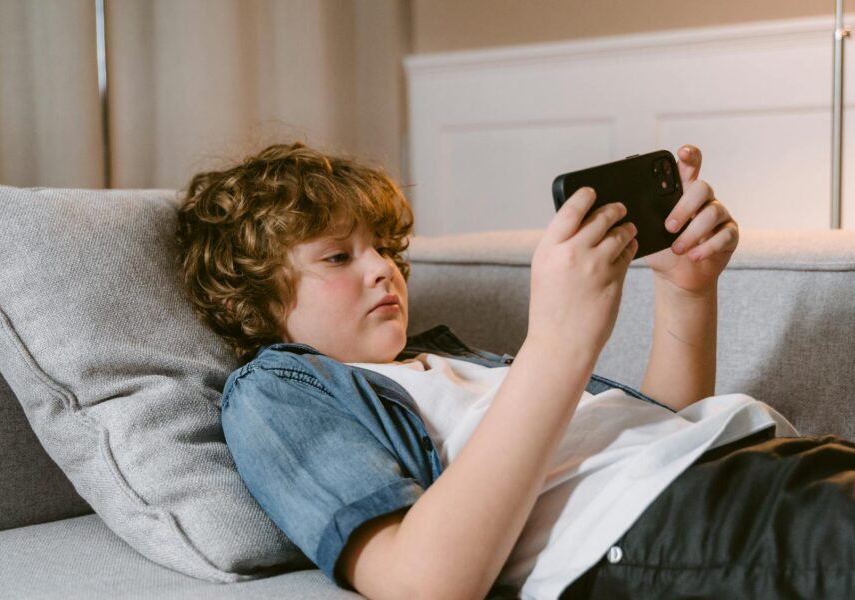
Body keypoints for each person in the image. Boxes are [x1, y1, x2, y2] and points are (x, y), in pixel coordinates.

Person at [175, 142, 854, 599]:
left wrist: (686, 290)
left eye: (382, 247)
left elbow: (654, 432)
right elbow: (424, 583)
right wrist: (557, 344)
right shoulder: (274, 392)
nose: (383, 267)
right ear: (255, 299)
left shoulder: (448, 359)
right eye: (337, 258)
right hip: (666, 525)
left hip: (759, 461)